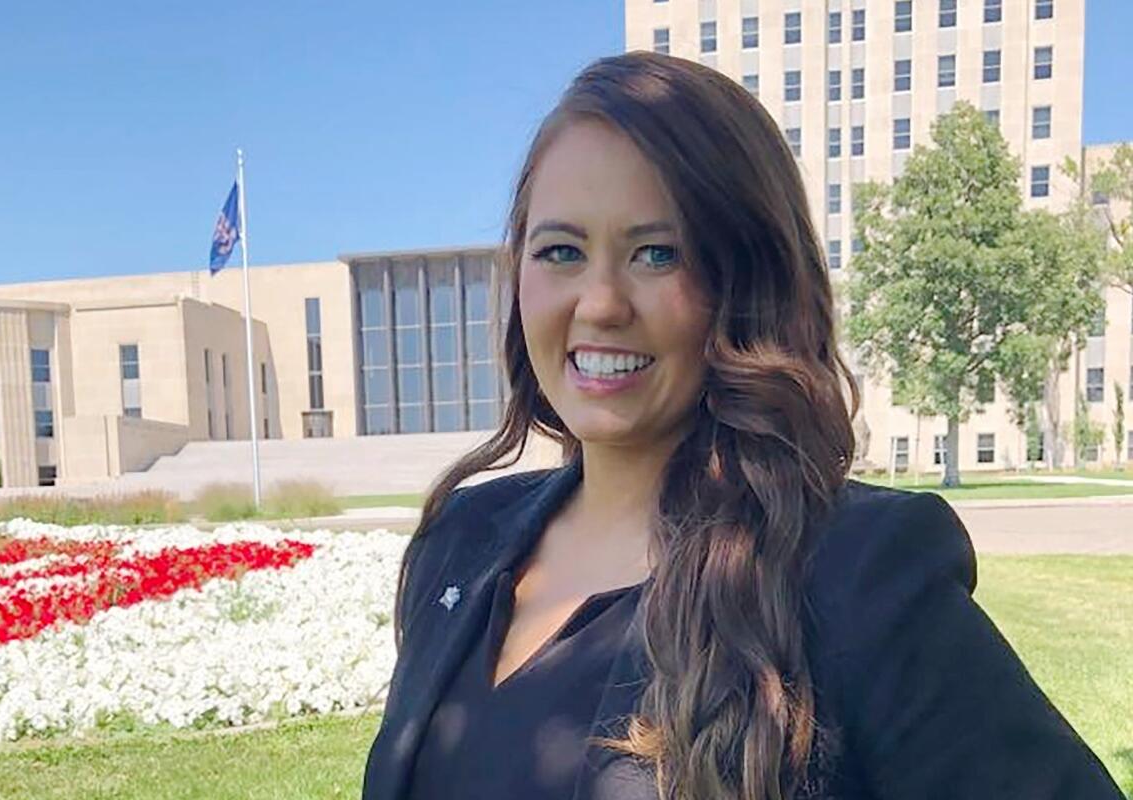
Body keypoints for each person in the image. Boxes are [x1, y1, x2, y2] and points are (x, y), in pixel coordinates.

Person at [361, 51, 1125, 800]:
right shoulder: (460, 542)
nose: (599, 303)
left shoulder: (853, 575)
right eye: (561, 250)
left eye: (657, 253)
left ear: (746, 281)